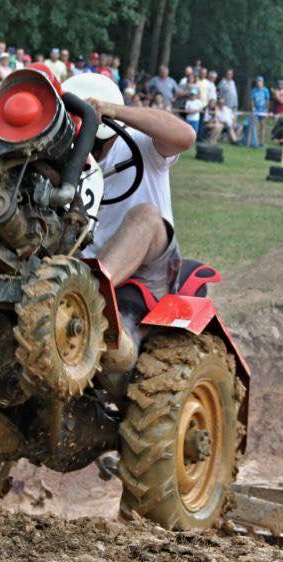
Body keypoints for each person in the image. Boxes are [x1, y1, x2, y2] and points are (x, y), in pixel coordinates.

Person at [61, 73, 196, 373]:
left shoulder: (143, 144)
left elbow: (185, 136)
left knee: (146, 216)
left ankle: (87, 292)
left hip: (150, 268)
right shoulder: (60, 160)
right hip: (79, 265)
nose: (87, 153)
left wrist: (115, 110)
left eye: (93, 145)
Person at [250, 76, 269, 147]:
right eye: (258, 81)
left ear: (262, 82)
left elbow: (267, 100)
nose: (259, 83)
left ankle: (262, 142)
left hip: (263, 110)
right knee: (255, 126)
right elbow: (252, 100)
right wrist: (253, 108)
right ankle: (255, 141)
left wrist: (267, 109)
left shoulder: (265, 90)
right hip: (256, 110)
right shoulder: (254, 90)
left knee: (262, 126)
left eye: (260, 82)